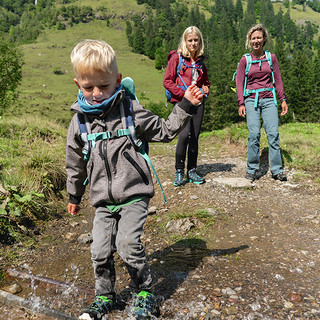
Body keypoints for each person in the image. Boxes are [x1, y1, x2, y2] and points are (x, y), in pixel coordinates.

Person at [65, 39, 203, 320]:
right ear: (77, 83)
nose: (96, 94)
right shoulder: (79, 122)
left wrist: (186, 105)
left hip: (134, 193)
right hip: (103, 200)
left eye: (103, 86)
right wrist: (73, 195)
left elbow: (165, 131)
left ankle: (144, 293)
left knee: (128, 244)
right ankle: (105, 296)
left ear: (116, 80)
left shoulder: (131, 111)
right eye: (88, 87)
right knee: (100, 250)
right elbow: (75, 162)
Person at [236, 24, 288, 182]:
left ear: (264, 39)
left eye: (259, 37)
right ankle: (252, 169)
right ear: (249, 40)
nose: (256, 40)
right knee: (254, 134)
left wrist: (283, 99)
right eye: (253, 38)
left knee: (273, 134)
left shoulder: (271, 58)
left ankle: (277, 170)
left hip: (269, 99)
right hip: (251, 100)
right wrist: (241, 103)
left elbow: (277, 80)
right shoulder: (245, 60)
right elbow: (239, 82)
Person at [163, 26, 210, 187]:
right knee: (184, 135)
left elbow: (205, 82)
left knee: (195, 136)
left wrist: (206, 89)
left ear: (200, 42)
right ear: (185, 41)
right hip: (182, 101)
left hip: (198, 102)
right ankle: (179, 171)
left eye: (196, 40)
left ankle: (191, 170)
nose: (193, 43)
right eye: (190, 40)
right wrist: (183, 94)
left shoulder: (200, 61)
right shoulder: (176, 58)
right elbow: (167, 81)